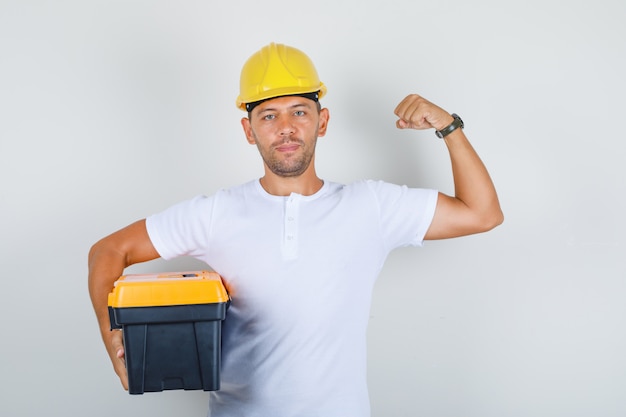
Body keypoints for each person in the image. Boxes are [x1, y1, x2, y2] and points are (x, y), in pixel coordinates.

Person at [88, 42, 503, 416]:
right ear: (249, 131)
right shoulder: (215, 213)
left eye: (299, 112)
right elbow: (108, 252)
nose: (285, 127)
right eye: (269, 115)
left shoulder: (371, 206)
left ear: (322, 122)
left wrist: (449, 127)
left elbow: (481, 213)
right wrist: (113, 340)